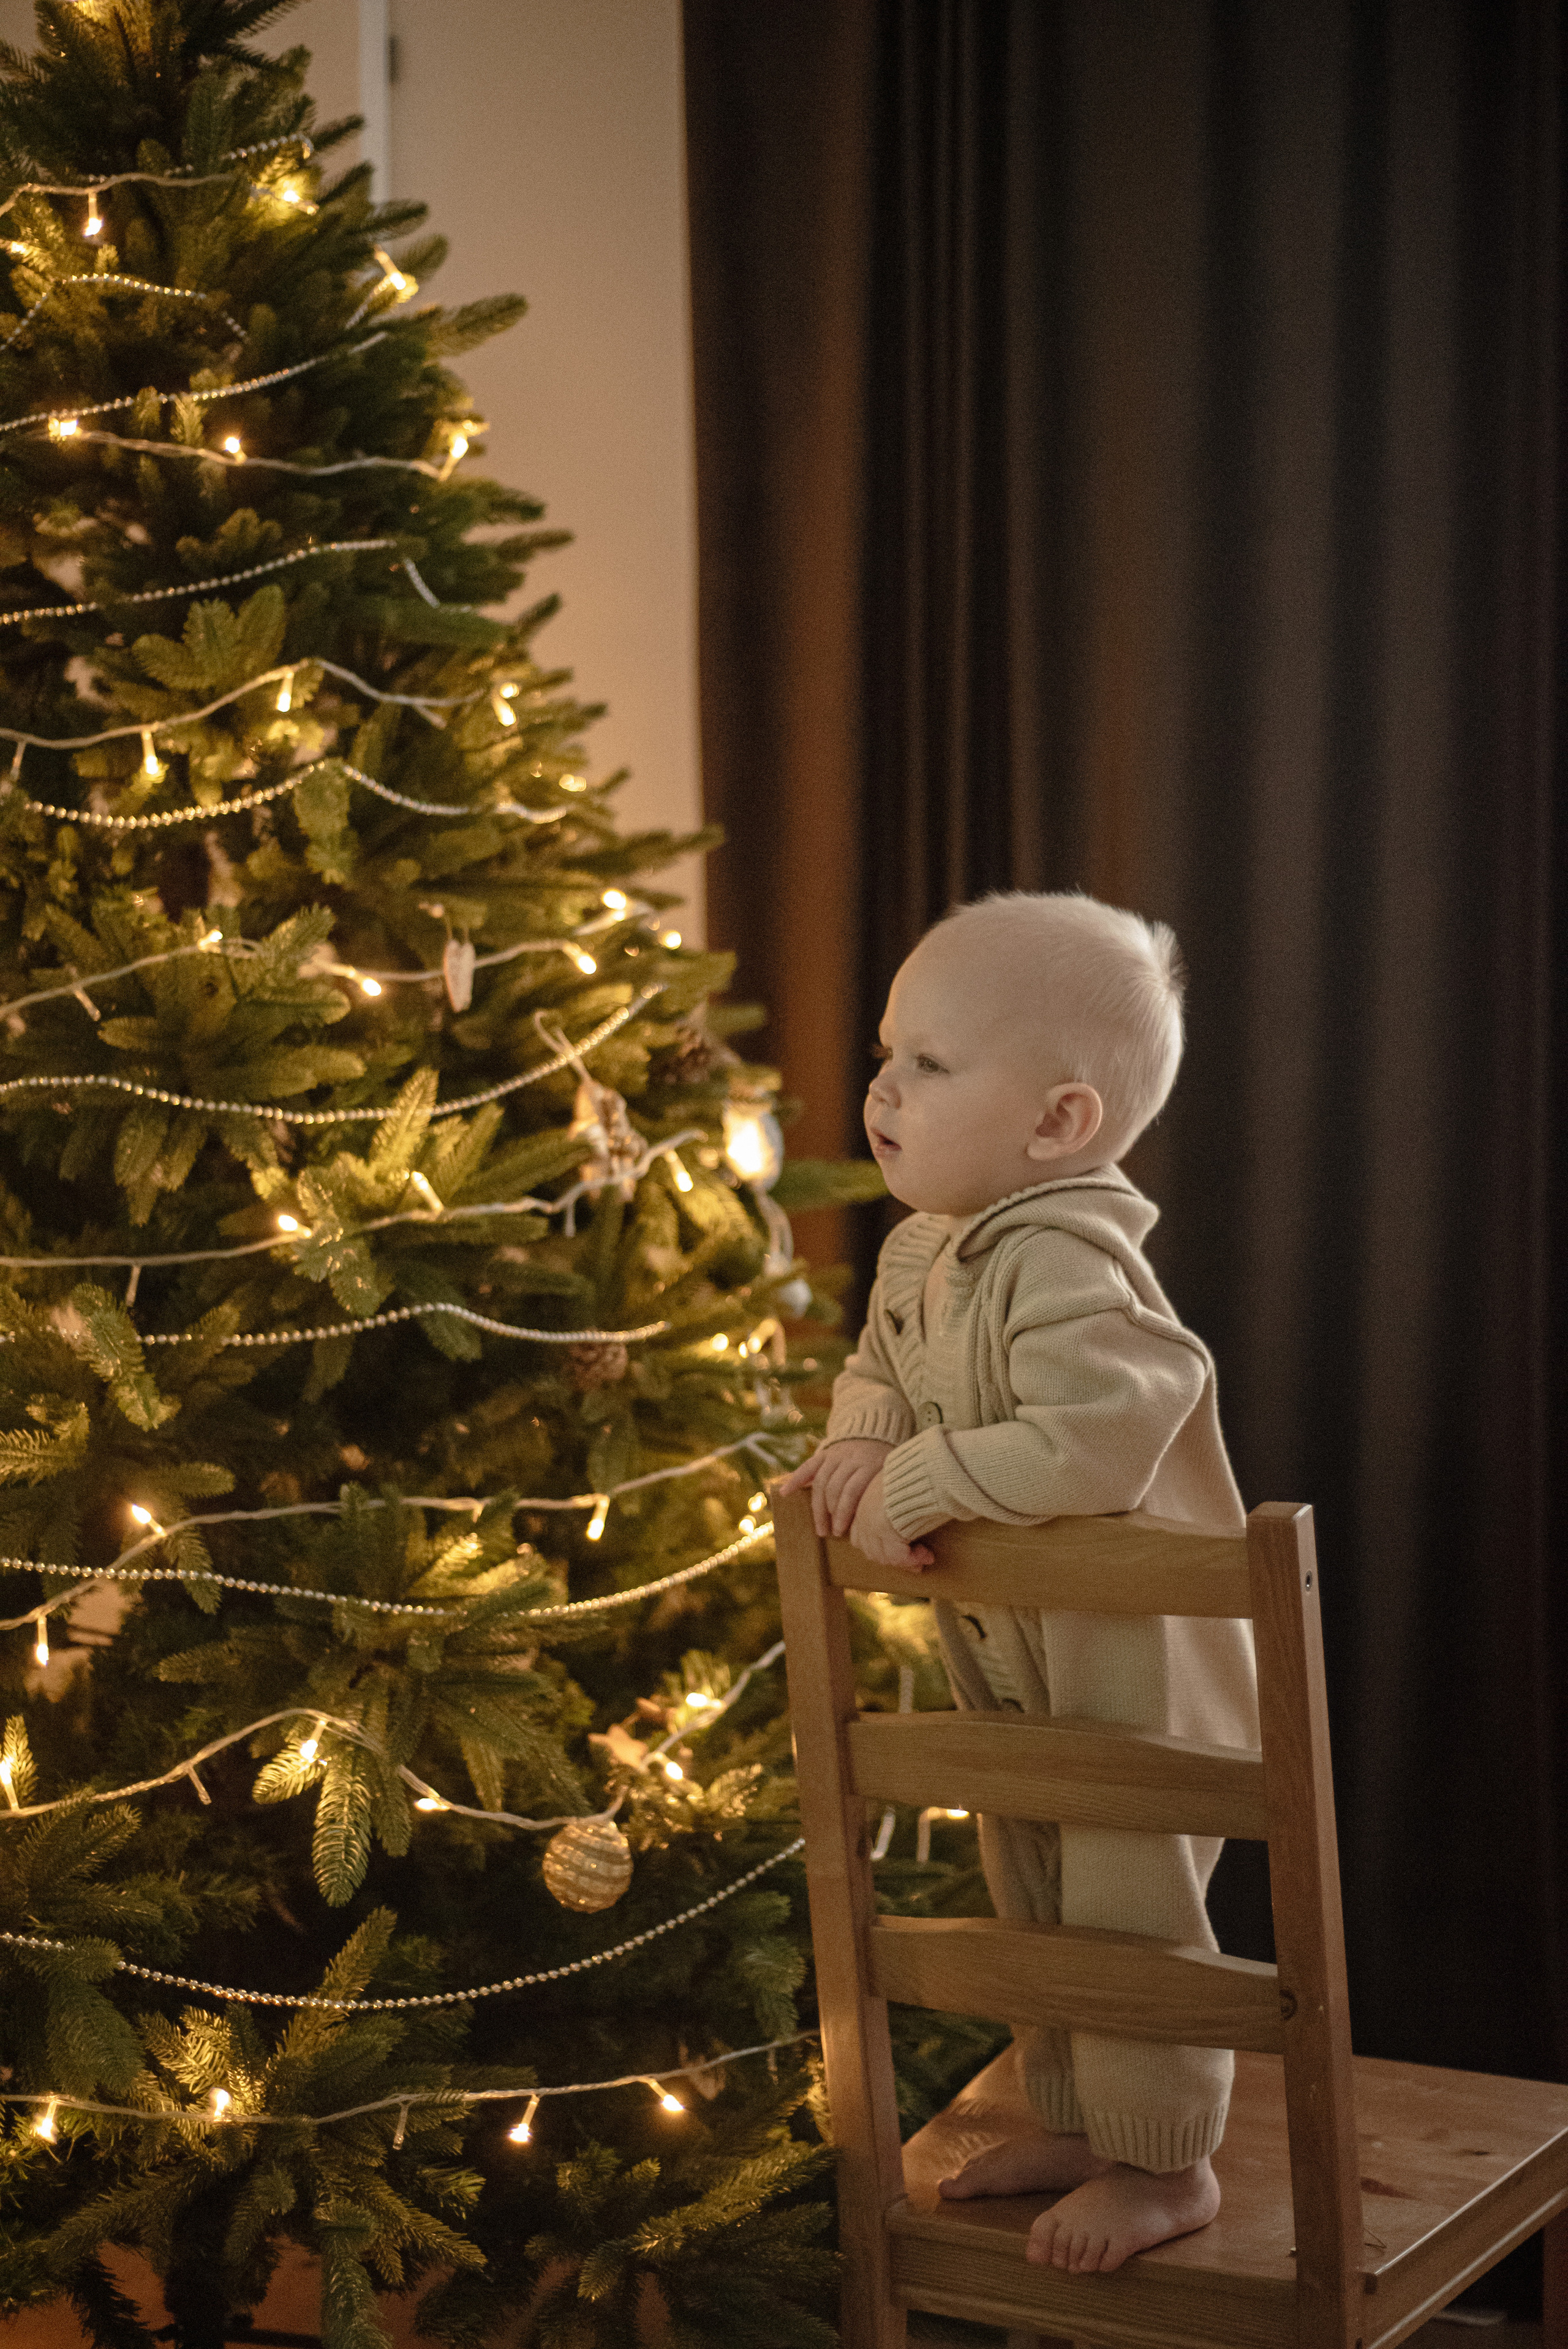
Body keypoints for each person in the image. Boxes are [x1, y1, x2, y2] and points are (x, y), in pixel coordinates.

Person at [778, 890, 1258, 2276]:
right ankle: (1078, 2118)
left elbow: (1100, 1434)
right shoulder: (926, 1249)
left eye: (929, 1063)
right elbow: (881, 1375)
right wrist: (859, 1441)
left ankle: (1166, 2166)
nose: (881, 1087)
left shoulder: (1067, 1256)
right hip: (1022, 1658)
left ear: (1057, 1127)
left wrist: (914, 1485)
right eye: (887, 1051)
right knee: (1030, 1885)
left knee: (1122, 1913)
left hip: (1134, 1675)